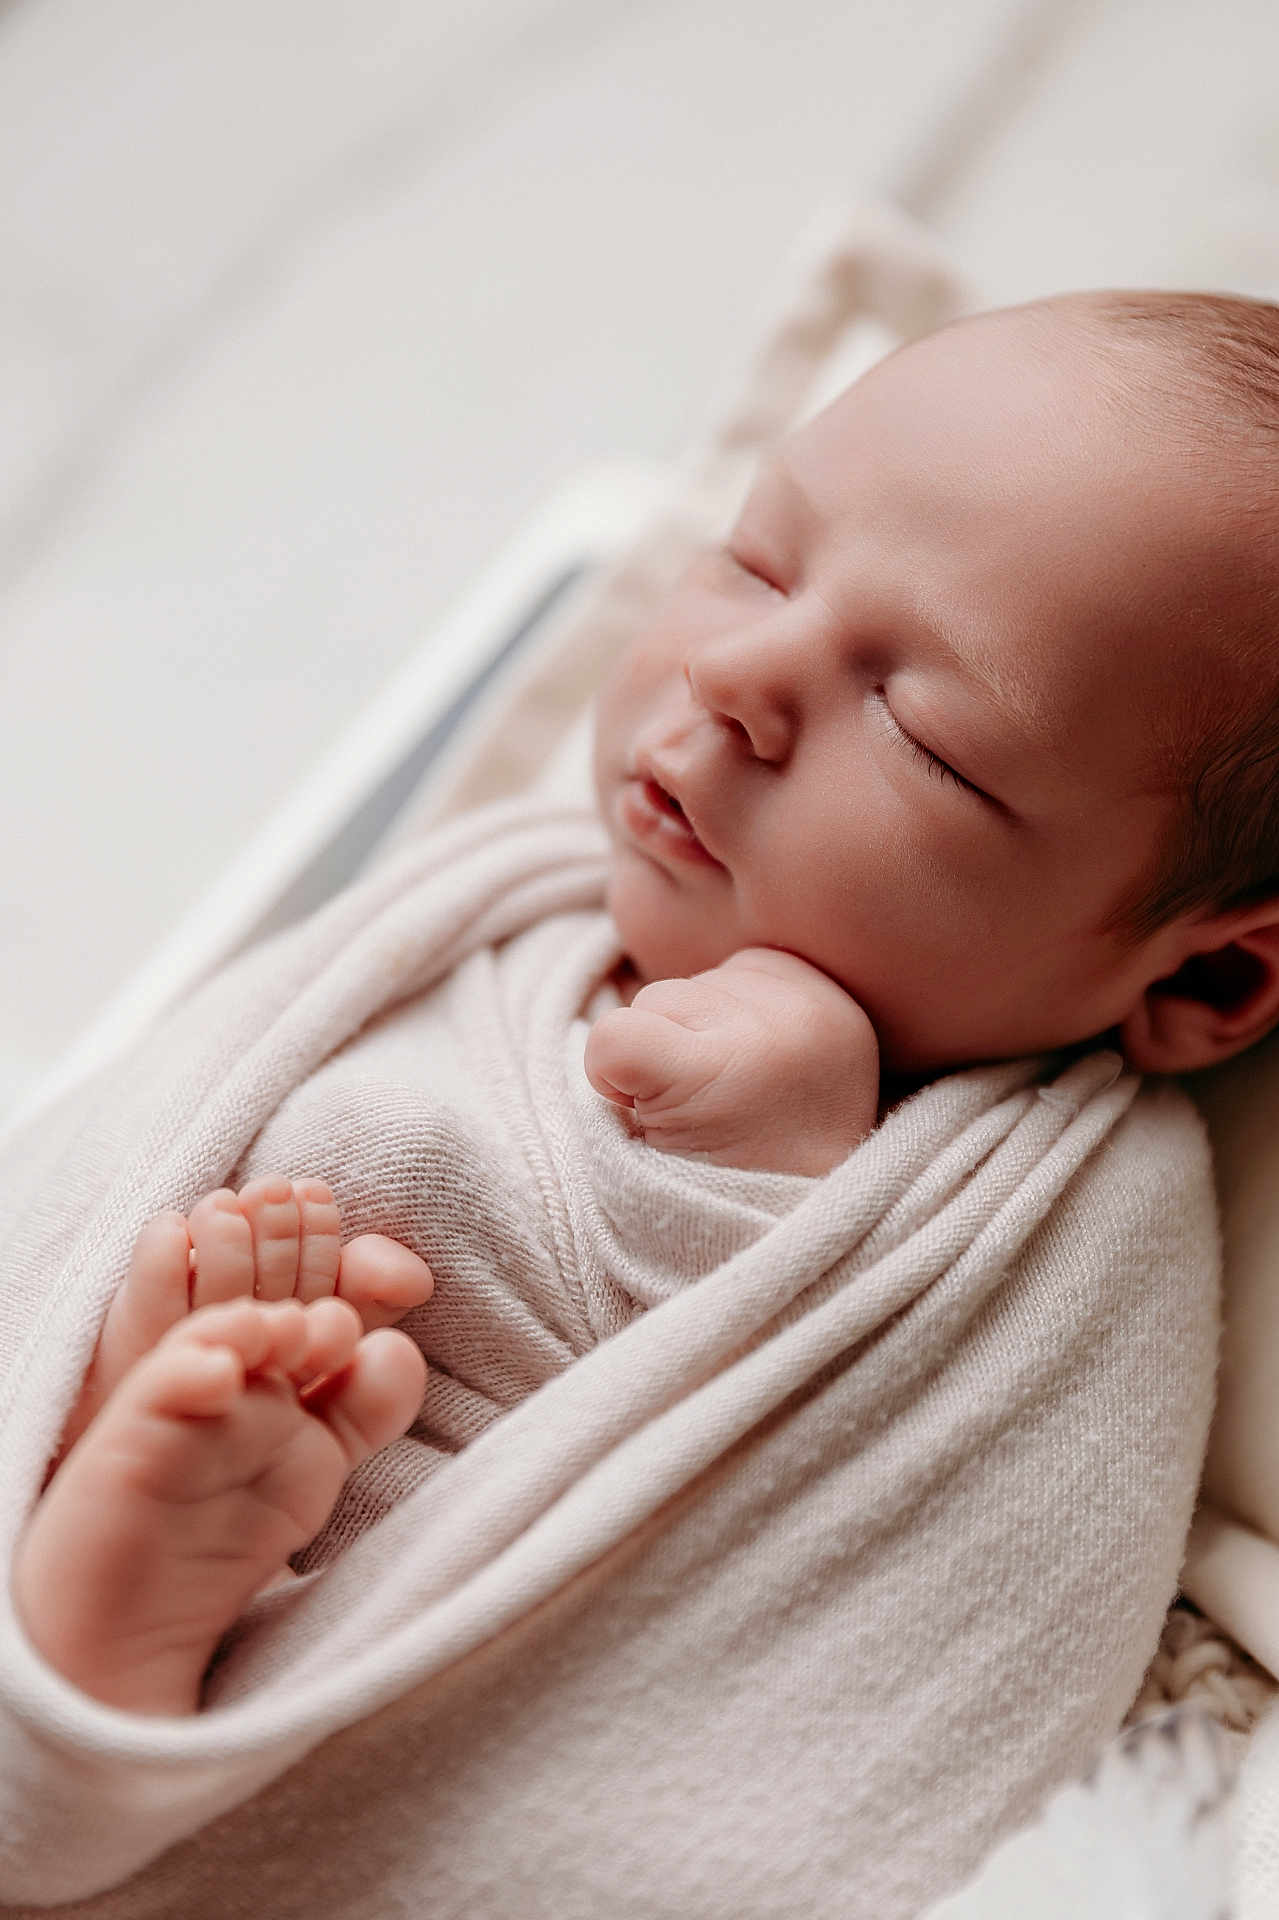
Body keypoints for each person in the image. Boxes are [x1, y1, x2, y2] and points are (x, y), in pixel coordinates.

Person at [10, 285, 1279, 1792]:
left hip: (431, 1638)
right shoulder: (499, 894)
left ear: (1200, 986)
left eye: (925, 735)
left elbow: (878, 1569)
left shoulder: (1056, 1205)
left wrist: (754, 1189)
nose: (735, 681)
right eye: (755, 560)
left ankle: (121, 1649)